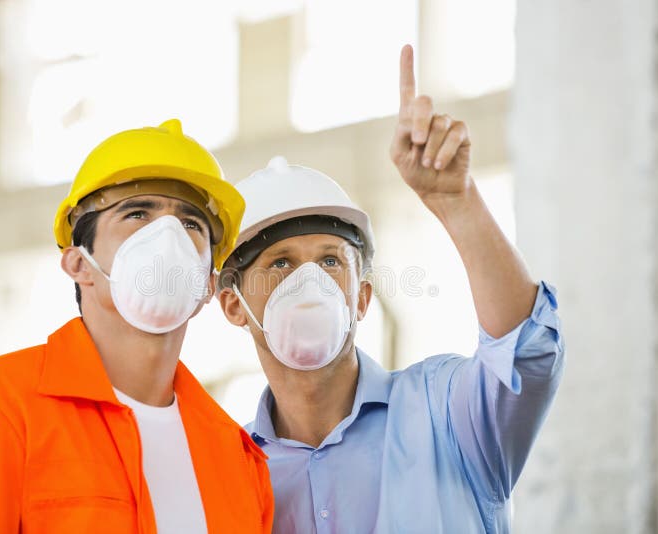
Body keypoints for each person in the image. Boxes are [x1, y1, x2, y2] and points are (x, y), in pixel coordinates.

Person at [216, 45, 564, 533]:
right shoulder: (225, 475)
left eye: (331, 260)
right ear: (233, 304)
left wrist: (457, 201)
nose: (307, 281)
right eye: (280, 262)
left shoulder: (446, 413)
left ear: (361, 298)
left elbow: (525, 351)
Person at [0, 119, 273, 534]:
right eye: (137, 213)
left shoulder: (235, 456)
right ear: (79, 264)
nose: (169, 237)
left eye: (192, 223)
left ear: (208, 283)